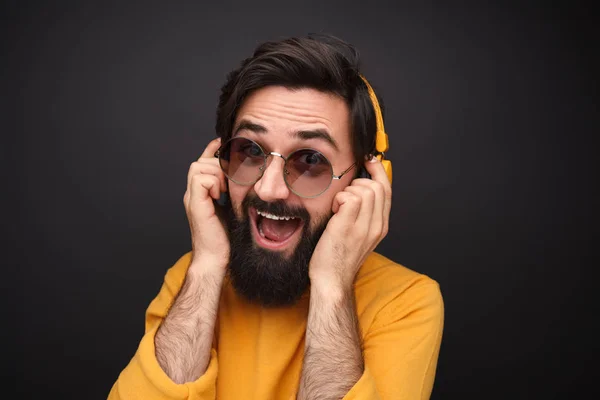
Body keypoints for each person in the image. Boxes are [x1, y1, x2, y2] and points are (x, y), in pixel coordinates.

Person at [108, 34, 444, 400]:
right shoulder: (191, 278)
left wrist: (332, 287)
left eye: (311, 160)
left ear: (362, 182)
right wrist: (205, 267)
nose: (268, 190)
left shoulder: (406, 302)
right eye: (250, 150)